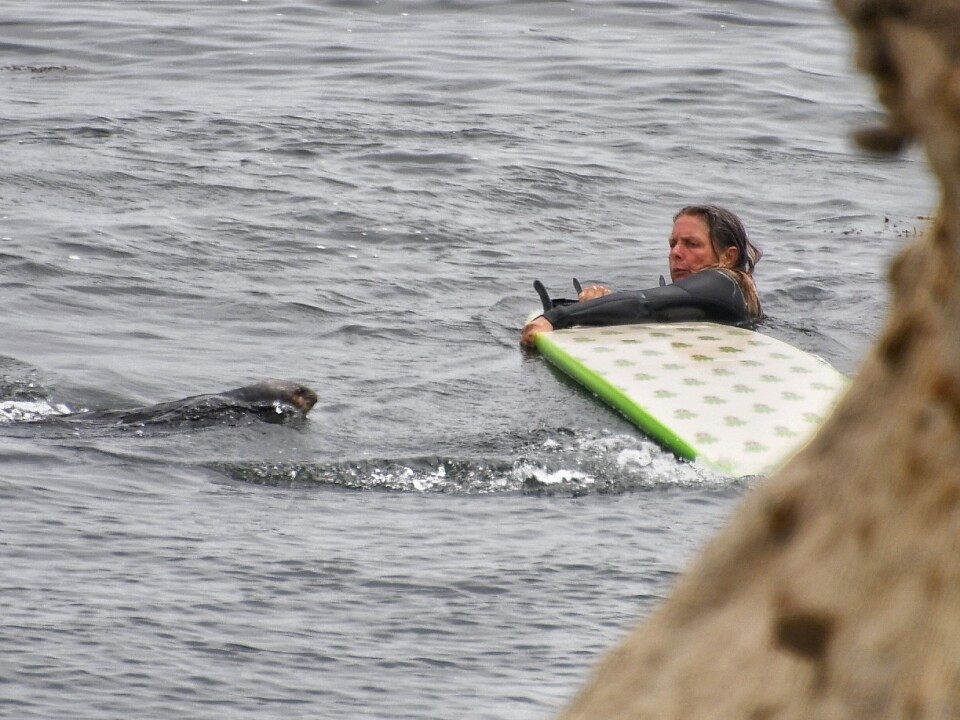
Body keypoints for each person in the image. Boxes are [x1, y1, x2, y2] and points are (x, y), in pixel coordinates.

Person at [520, 205, 763, 348]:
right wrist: (604, 304)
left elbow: (644, 304)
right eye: (673, 244)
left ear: (728, 257)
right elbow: (656, 307)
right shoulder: (724, 297)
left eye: (692, 244)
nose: (676, 253)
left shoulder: (724, 282)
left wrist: (554, 318)